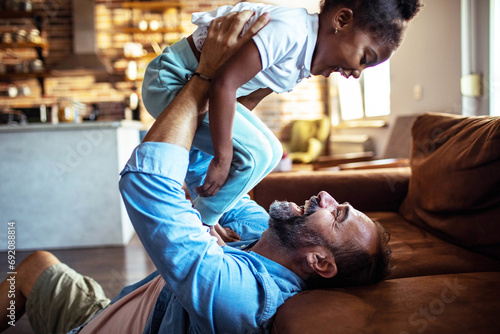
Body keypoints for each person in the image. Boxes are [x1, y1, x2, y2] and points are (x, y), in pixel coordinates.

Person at [0, 10, 392, 334]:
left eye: (337, 213)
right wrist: (216, 179)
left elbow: (147, 184)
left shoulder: (238, 294)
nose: (326, 196)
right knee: (37, 266)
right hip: (110, 307)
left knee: (265, 152)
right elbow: (220, 186)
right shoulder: (264, 236)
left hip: (99, 329)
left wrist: (204, 75)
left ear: (320, 262)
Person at [142, 0, 422, 228]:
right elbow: (225, 83)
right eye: (364, 58)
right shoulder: (291, 30)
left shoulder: (299, 65)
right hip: (170, 80)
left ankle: (203, 214)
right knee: (262, 154)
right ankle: (199, 226)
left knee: (260, 151)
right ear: (342, 20)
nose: (356, 73)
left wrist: (228, 145)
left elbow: (245, 102)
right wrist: (224, 156)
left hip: (199, 93)